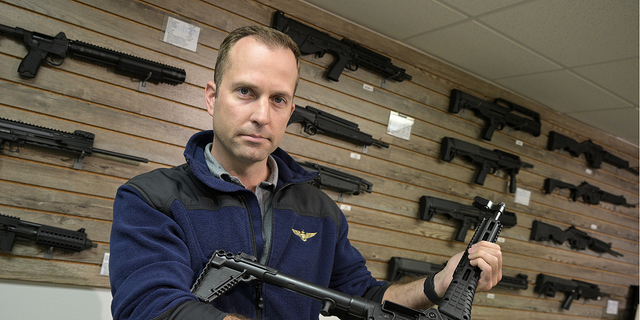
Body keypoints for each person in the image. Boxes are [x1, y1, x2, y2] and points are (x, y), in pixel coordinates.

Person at [109, 25, 502, 320]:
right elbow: (147, 305)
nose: (262, 115)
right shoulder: (150, 197)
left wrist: (438, 285)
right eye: (246, 92)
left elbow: (363, 297)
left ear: (291, 110)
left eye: (278, 99)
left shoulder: (320, 210)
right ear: (212, 96)